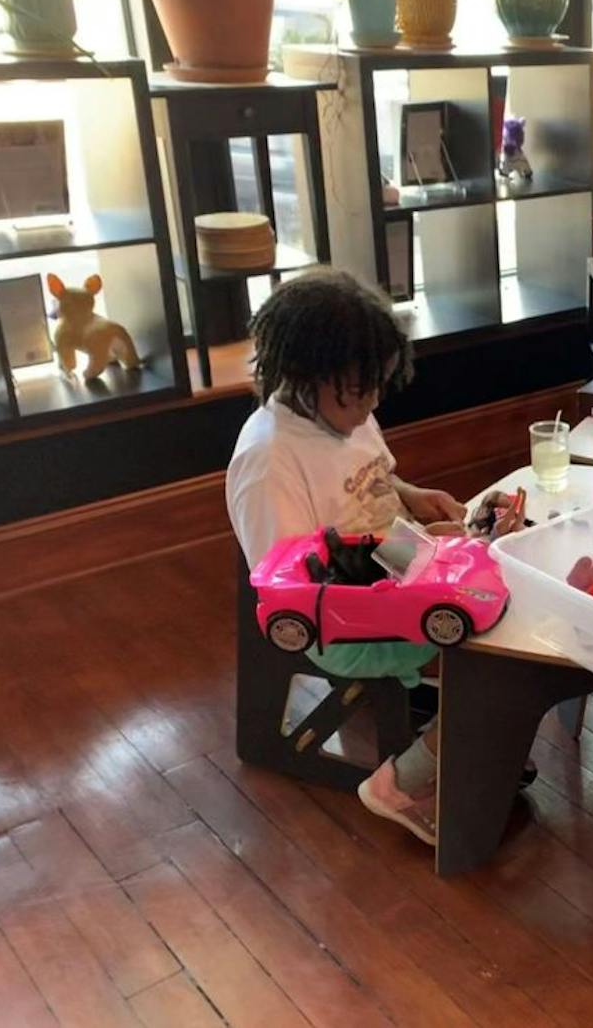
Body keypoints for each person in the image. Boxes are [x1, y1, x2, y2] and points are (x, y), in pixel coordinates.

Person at [225, 268, 527, 849]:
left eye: (378, 388)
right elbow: (295, 589)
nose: (372, 405)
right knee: (499, 643)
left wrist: (413, 500)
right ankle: (404, 782)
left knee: (509, 580)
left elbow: (370, 477)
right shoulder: (269, 462)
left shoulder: (342, 414)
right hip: (345, 620)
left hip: (397, 578)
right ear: (304, 376)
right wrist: (415, 555)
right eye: (360, 391)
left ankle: (472, 744)